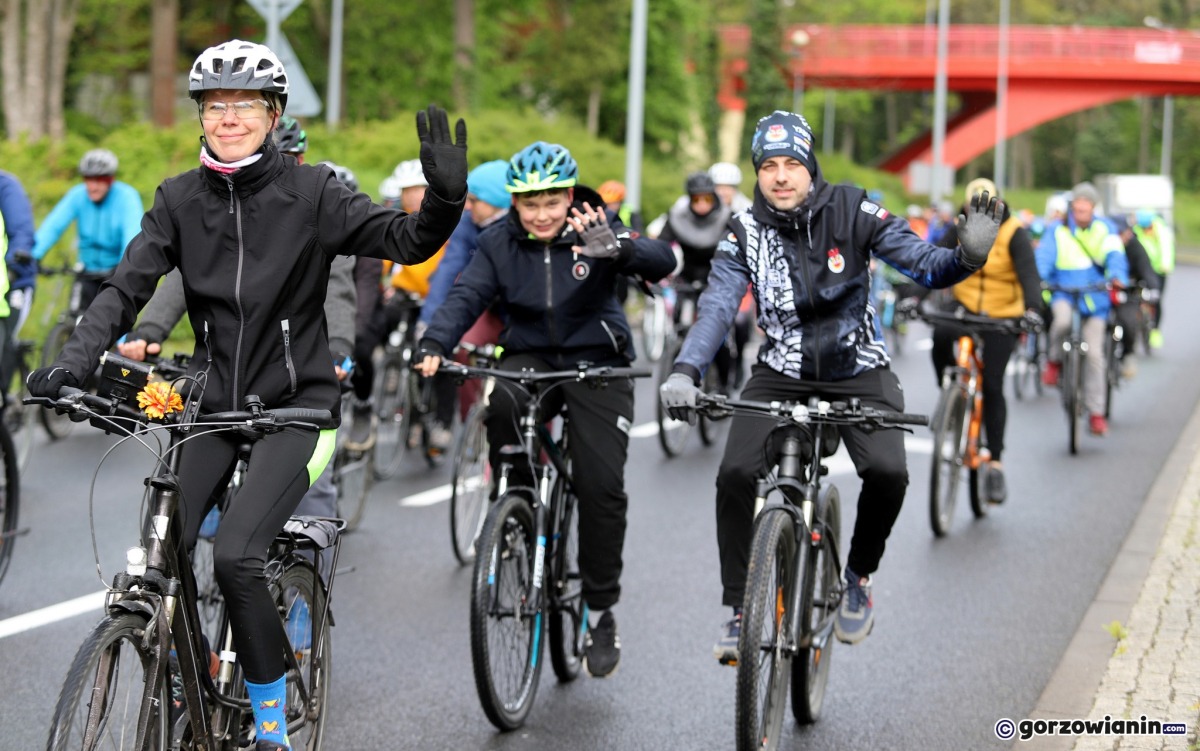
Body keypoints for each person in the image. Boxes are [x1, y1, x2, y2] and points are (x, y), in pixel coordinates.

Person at [27, 39, 467, 751]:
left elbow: (405, 239)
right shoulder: (177, 199)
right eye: (214, 106)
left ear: (272, 115)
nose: (228, 118)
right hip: (213, 406)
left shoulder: (315, 192)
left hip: (298, 409)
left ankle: (269, 728)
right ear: (201, 116)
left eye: (244, 106)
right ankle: (184, 664)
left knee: (235, 556)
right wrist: (76, 359)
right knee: (164, 537)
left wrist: (444, 202)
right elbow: (127, 286)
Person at [658, 110, 1002, 660]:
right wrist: (685, 369)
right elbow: (719, 305)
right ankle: (739, 608)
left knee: (889, 472)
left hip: (858, 368)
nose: (780, 176)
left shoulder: (853, 209)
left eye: (792, 162)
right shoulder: (744, 228)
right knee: (734, 473)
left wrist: (968, 256)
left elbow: (922, 263)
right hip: (780, 371)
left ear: (810, 165)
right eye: (768, 165)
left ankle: (858, 577)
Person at [416, 140, 675, 678]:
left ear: (568, 194)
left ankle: (600, 610)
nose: (540, 215)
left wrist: (618, 248)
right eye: (528, 204)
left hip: (599, 359)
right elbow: (466, 296)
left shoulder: (596, 223)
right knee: (502, 399)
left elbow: (662, 261)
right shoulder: (498, 241)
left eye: (551, 202)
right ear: (514, 202)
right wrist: (435, 343)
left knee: (602, 484)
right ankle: (515, 500)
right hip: (531, 353)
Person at [925, 177, 1044, 503]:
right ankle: (951, 394)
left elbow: (1029, 274)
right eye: (971, 207)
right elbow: (931, 262)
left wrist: (1033, 309)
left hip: (1002, 314)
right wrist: (912, 295)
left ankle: (995, 463)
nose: (976, 212)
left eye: (983, 207)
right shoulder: (958, 226)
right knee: (940, 334)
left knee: (992, 385)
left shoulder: (1014, 233)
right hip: (964, 306)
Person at [1037, 181, 1128, 437]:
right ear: (1072, 207)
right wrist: (1040, 278)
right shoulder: (1057, 229)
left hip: (1095, 298)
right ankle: (1054, 361)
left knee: (1096, 355)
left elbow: (1115, 255)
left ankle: (1096, 413)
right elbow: (1044, 257)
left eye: (1085, 209)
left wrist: (1118, 276)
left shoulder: (1105, 229)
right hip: (1064, 292)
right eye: (1077, 209)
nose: (1080, 213)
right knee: (1062, 322)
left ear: (1093, 208)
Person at [31, 148, 144, 312]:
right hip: (86, 269)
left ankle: (121, 339)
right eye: (88, 179)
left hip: (116, 271)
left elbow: (132, 234)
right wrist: (34, 255)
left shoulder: (126, 197)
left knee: (117, 318)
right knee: (74, 317)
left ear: (110, 180)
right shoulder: (77, 195)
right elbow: (53, 226)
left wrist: (126, 267)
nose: (92, 186)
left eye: (99, 180)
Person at [658, 171, 737, 390]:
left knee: (719, 334)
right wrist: (654, 271)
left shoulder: (728, 217)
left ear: (714, 198)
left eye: (706, 199)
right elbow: (661, 247)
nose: (701, 204)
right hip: (687, 278)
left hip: (718, 278)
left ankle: (723, 383)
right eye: (696, 199)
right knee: (678, 323)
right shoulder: (677, 217)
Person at [1108, 215, 1159, 379]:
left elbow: (1146, 268)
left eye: (1121, 233)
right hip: (1104, 292)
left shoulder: (1135, 247)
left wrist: (1153, 288)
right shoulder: (1105, 246)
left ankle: (1127, 353)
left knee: (1129, 322)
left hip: (1128, 292)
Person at [0, 170, 35, 391]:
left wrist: (16, 258)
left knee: (6, 342)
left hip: (15, 281)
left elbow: (21, 230)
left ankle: (4, 397)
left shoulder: (6, 186)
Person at [1132, 208, 1173, 350]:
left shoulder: (1161, 230)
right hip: (1142, 269)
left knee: (1156, 299)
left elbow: (1166, 248)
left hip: (1158, 269)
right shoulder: (1136, 230)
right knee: (1136, 295)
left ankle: (1155, 329)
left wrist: (1164, 266)